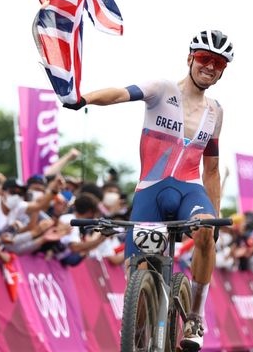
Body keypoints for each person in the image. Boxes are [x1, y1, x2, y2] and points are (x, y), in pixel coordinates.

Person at [64, 29, 233, 351]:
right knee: (137, 280)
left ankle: (195, 315)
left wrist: (216, 216)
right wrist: (83, 99)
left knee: (205, 233)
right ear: (190, 58)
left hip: (189, 191)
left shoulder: (216, 112)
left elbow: (210, 169)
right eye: (205, 59)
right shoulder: (161, 89)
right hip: (151, 192)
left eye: (219, 64)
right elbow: (117, 93)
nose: (210, 67)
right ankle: (140, 333)